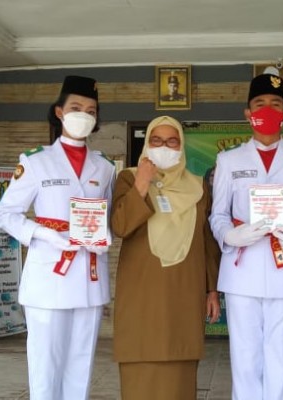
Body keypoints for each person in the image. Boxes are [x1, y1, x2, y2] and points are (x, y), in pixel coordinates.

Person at [0, 75, 115, 400]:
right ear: (60, 112)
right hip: (49, 277)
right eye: (76, 107)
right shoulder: (36, 161)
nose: (83, 115)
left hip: (89, 277)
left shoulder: (105, 167)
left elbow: (107, 214)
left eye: (91, 110)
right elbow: (6, 214)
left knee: (81, 365)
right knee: (45, 365)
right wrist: (42, 233)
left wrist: (105, 233)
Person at [209, 73, 283, 400]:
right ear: (248, 113)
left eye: (276, 104)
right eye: (260, 104)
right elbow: (217, 214)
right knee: (245, 358)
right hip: (242, 271)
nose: (268, 110)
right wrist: (230, 235)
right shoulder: (228, 160)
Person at [111, 115, 221, 400]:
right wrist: (142, 183)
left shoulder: (198, 187)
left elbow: (207, 241)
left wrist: (212, 290)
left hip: (185, 291)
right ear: (146, 144)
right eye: (156, 140)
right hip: (141, 292)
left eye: (172, 141)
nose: (164, 147)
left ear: (181, 146)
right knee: (140, 361)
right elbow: (121, 226)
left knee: (179, 368)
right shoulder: (128, 178)